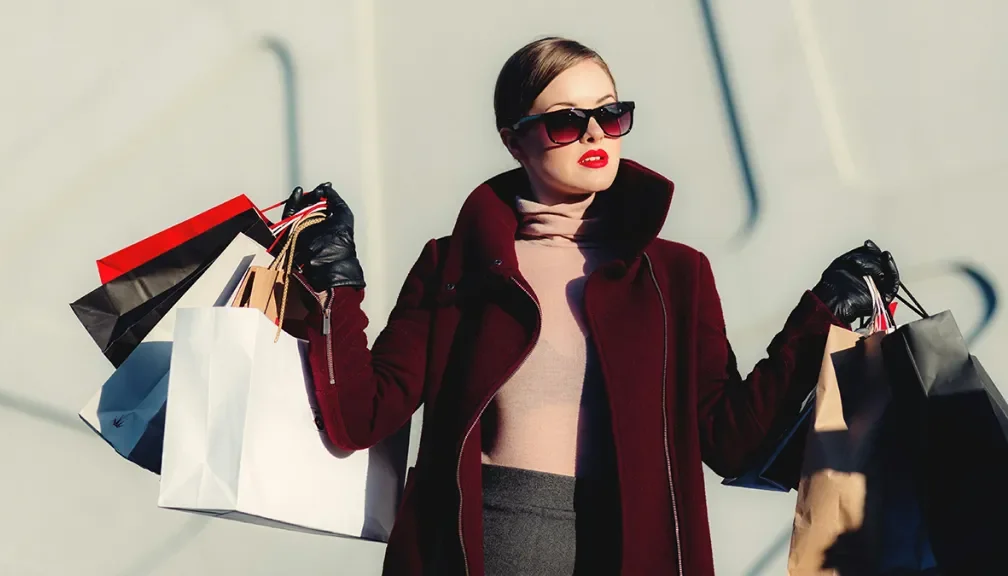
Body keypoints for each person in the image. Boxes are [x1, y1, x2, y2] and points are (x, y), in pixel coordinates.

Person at [279, 37, 900, 576]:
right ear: (514, 140)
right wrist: (336, 282)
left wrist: (820, 314)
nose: (598, 134)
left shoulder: (675, 274)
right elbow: (360, 415)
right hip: (490, 546)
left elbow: (729, 440)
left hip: (635, 549)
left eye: (611, 113)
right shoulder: (457, 264)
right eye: (566, 122)